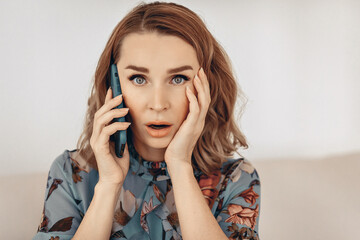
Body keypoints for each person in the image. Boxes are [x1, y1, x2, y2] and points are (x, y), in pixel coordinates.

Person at [33, 1, 261, 240]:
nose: (158, 103)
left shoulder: (236, 178)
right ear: (114, 84)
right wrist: (109, 185)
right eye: (139, 79)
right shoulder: (71, 173)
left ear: (206, 86)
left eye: (178, 78)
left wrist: (180, 166)